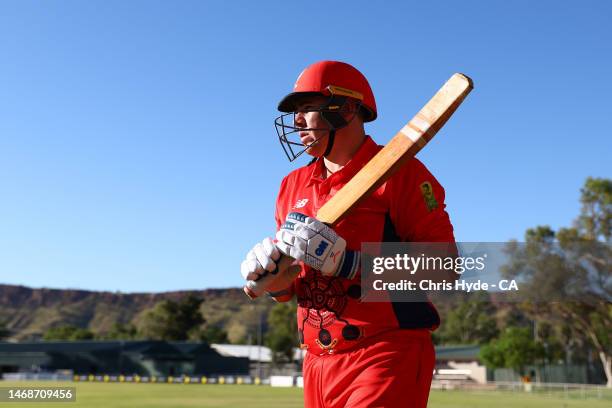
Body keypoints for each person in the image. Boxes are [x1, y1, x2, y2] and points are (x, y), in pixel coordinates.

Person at [241, 61, 456, 408]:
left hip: (385, 353)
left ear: (348, 108)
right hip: (316, 362)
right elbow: (295, 287)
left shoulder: (402, 173)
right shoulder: (290, 186)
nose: (297, 121)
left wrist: (351, 263)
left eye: (307, 107)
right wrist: (275, 283)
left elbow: (444, 268)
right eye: (296, 111)